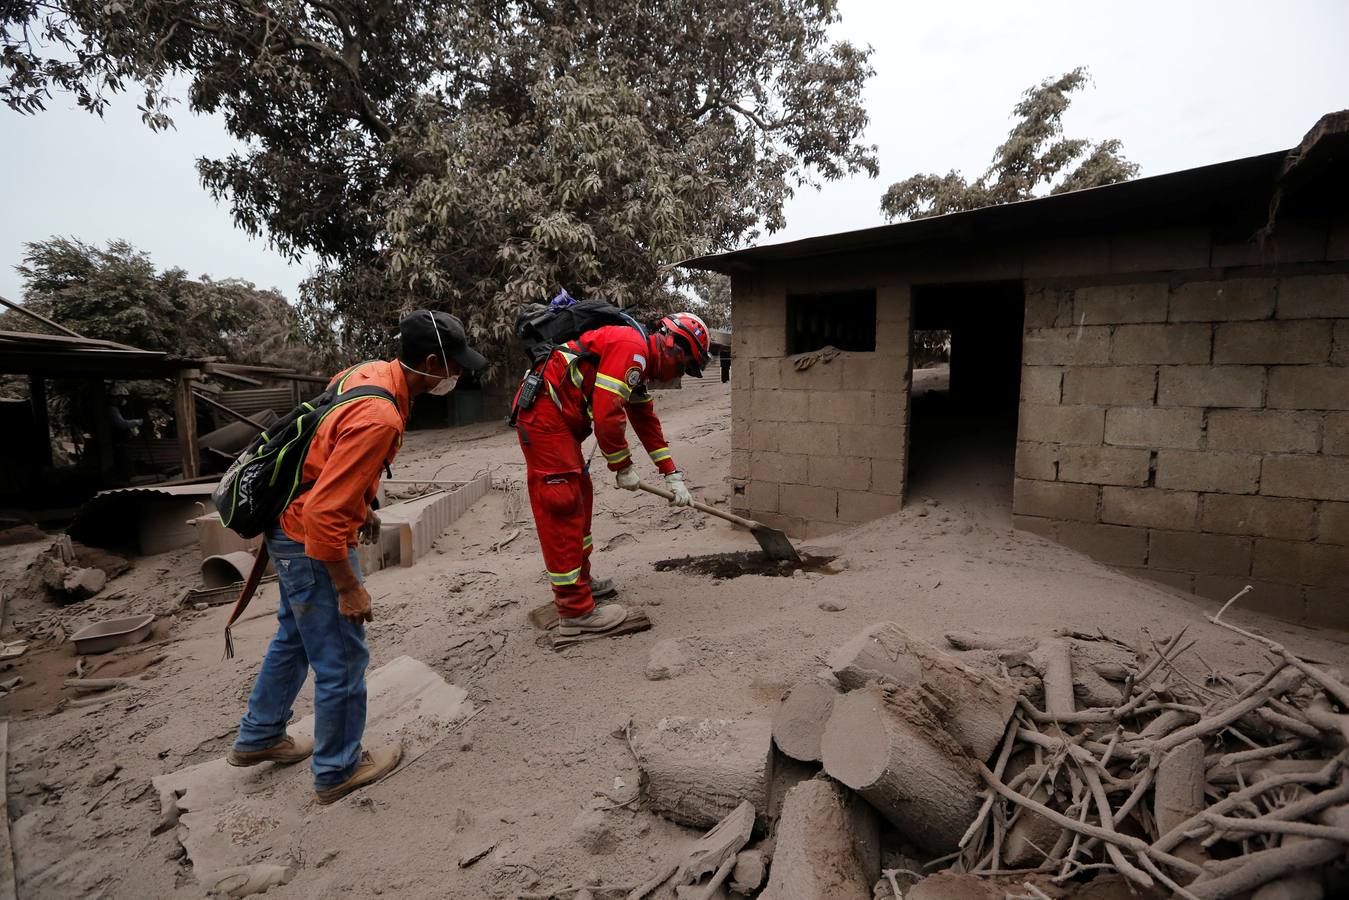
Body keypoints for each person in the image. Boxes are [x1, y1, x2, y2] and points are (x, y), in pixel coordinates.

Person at [227, 310, 486, 804]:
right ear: (432, 363)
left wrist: (363, 502)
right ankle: (337, 769)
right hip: (308, 536)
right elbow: (325, 515)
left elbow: (326, 447)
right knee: (342, 657)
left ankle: (260, 735)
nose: (456, 376)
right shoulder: (381, 414)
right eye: (454, 367)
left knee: (295, 636)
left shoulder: (364, 374)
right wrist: (348, 586)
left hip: (286, 524)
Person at [514, 309, 711, 636]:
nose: (677, 374)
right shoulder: (632, 348)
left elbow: (646, 421)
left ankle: (583, 581)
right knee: (562, 503)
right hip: (544, 417)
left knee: (581, 496)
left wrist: (672, 474)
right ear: (672, 343)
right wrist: (622, 467)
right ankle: (575, 610)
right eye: (683, 364)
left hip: (557, 421)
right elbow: (608, 414)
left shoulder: (638, 361)